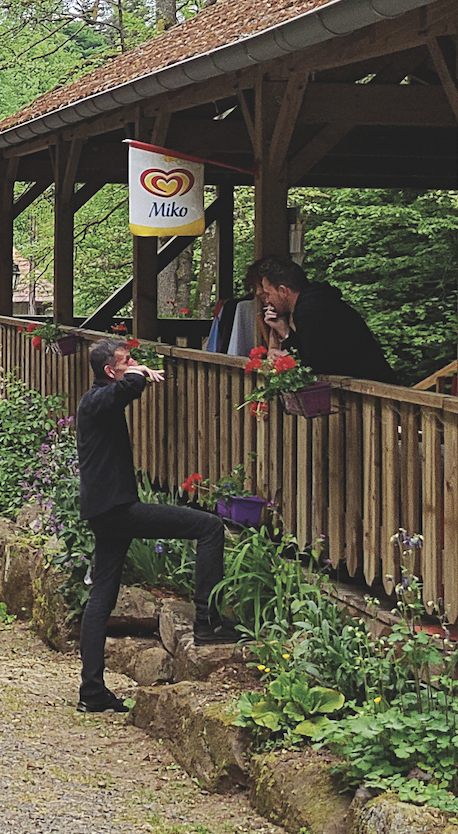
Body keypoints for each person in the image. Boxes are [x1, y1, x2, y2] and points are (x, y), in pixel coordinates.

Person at [76, 338, 239, 714]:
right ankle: (207, 622)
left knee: (102, 597)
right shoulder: (95, 400)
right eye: (126, 360)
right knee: (209, 527)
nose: (133, 363)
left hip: (106, 512)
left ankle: (92, 691)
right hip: (117, 511)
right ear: (110, 371)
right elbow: (129, 389)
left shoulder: (100, 398)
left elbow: (128, 387)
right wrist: (139, 372)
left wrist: (135, 371)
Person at [244, 255, 396, 383]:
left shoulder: (310, 309)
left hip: (373, 391)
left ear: (283, 291)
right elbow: (313, 352)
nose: (267, 301)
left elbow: (313, 365)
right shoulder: (314, 302)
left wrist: (287, 357)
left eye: (268, 294)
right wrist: (285, 331)